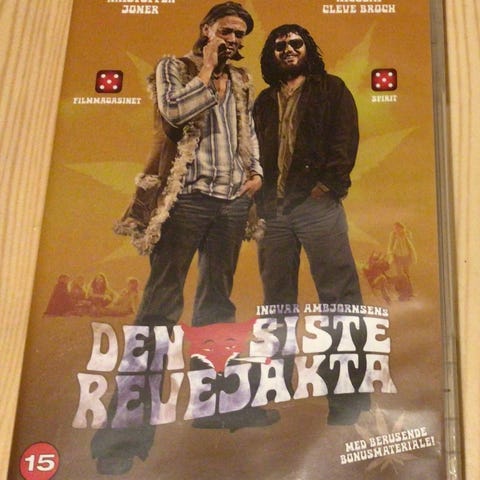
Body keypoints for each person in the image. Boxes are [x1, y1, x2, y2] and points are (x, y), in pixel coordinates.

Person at [93, 3, 265, 474]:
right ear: (207, 29)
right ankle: (124, 437)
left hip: (231, 203)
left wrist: (255, 172)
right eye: (226, 31)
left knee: (217, 306)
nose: (234, 40)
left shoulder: (242, 79)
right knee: (159, 309)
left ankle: (217, 408)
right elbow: (173, 114)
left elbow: (247, 129)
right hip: (186, 201)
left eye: (240, 35)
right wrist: (206, 69)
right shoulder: (174, 67)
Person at [253, 24, 369, 425]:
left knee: (339, 299)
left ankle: (349, 399)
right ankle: (274, 388)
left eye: (295, 43)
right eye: (279, 46)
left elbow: (345, 141)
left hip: (317, 206)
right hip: (273, 211)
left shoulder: (331, 89)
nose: (288, 50)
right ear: (271, 54)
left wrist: (327, 187)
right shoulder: (264, 101)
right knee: (276, 301)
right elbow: (252, 153)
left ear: (307, 48)